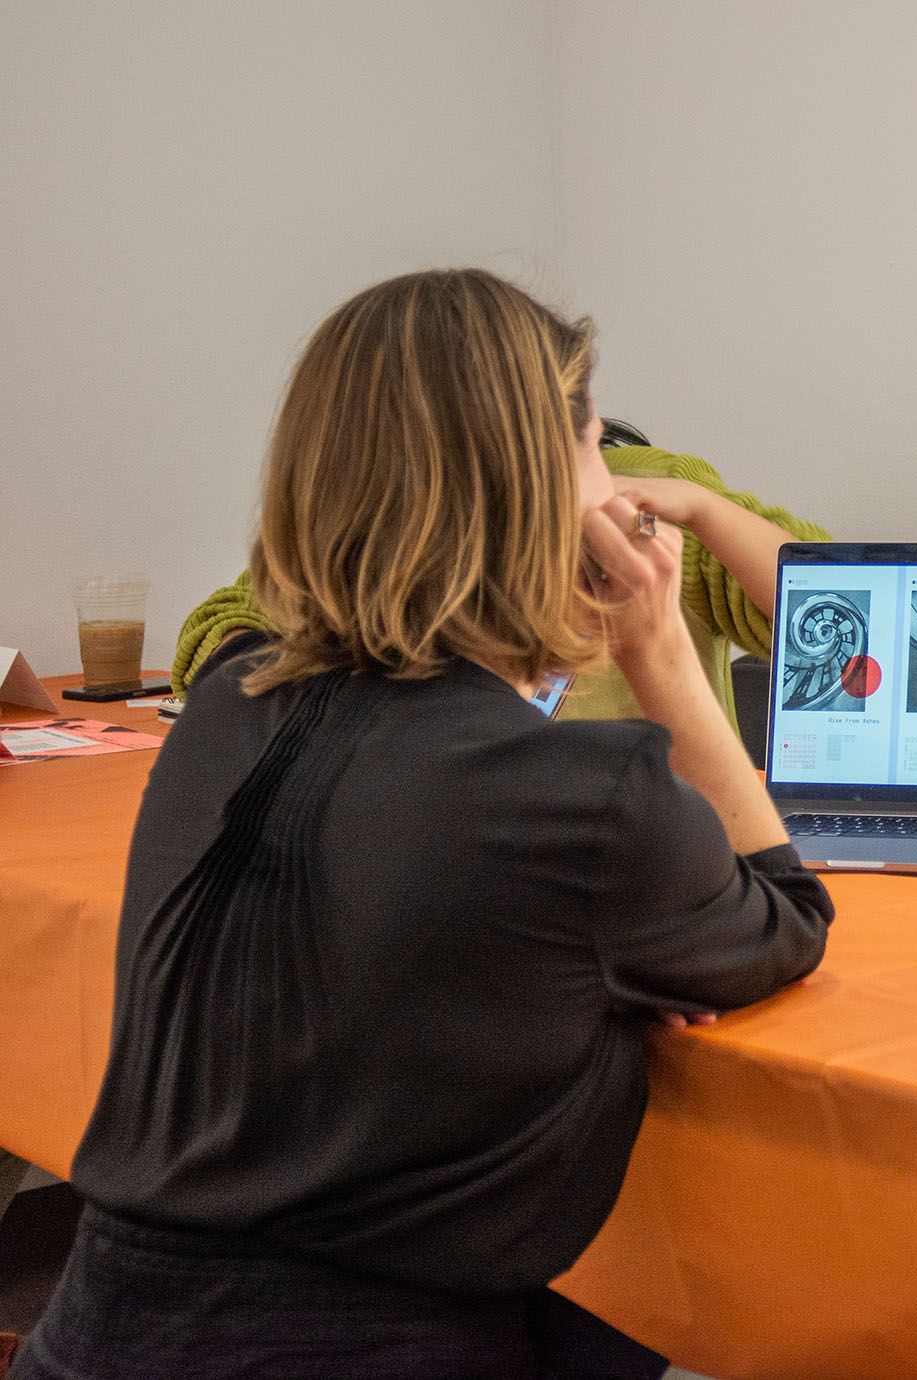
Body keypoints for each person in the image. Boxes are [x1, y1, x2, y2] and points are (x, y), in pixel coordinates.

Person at [11, 269, 835, 1380]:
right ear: (542, 487)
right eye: (599, 449)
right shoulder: (582, 795)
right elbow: (782, 919)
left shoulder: (227, 701)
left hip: (96, 1335)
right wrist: (657, 649)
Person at [170, 425, 829, 732]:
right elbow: (226, 628)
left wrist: (706, 513)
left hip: (662, 829)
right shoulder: (398, 515)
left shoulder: (657, 494)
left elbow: (844, 616)